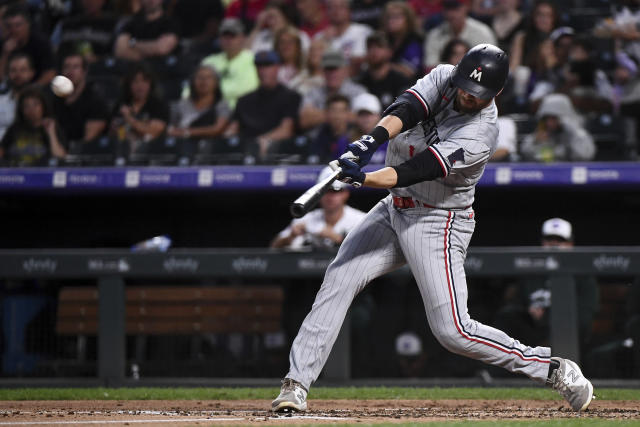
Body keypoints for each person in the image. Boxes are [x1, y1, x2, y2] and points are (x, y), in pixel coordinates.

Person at [271, 44, 594, 413]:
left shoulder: (482, 132)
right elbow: (408, 109)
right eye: (464, 88)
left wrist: (363, 177)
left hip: (437, 219)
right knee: (338, 280)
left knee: (453, 331)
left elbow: (417, 168)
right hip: (395, 208)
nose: (466, 97)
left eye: (476, 95)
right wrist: (368, 142)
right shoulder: (445, 76)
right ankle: (296, 384)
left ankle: (552, 369)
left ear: (495, 93)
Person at [225, 50, 300, 161]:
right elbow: (233, 128)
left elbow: (286, 130)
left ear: (277, 67)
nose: (263, 71)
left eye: (268, 66)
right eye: (259, 66)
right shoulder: (244, 100)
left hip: (278, 154)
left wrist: (263, 140)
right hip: (244, 153)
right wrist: (227, 137)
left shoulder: (290, 96)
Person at [270, 166, 366, 250]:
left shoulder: (361, 220)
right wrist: (291, 236)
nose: (330, 196)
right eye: (325, 191)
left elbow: (370, 253)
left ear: (345, 194)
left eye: (335, 191)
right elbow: (273, 248)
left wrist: (338, 239)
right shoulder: (305, 219)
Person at [109, 62, 169, 157]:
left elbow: (153, 131)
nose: (140, 86)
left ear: (150, 83)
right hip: (123, 153)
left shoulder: (158, 105)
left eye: (144, 81)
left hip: (152, 155)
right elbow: (115, 133)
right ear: (129, 84)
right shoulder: (121, 104)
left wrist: (129, 119)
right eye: (135, 81)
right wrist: (117, 129)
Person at [299, 50, 367, 130]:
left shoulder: (358, 91)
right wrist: (343, 114)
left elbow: (364, 119)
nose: (332, 74)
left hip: (350, 138)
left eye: (335, 69)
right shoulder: (313, 92)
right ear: (322, 71)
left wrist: (320, 114)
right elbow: (304, 120)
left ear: (345, 70)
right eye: (328, 69)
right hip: (318, 139)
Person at [52, 52, 109, 144]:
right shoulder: (56, 98)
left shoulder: (95, 100)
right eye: (67, 67)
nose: (70, 71)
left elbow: (88, 140)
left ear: (84, 71)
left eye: (75, 67)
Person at [201, 18, 259, 109]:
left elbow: (248, 88)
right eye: (224, 36)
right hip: (207, 110)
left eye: (232, 36)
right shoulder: (209, 61)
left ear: (242, 38)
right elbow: (190, 89)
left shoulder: (252, 59)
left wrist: (208, 91)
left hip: (239, 111)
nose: (228, 40)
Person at [520, 93, 596, 162]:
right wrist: (536, 142)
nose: (549, 122)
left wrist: (571, 131)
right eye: (547, 118)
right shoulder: (541, 132)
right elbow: (526, 153)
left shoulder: (577, 133)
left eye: (554, 118)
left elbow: (585, 156)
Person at [0, 87, 66, 166]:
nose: (32, 109)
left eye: (35, 104)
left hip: (43, 174)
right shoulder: (14, 129)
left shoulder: (51, 127)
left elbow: (59, 157)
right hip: (16, 174)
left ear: (43, 106)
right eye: (26, 106)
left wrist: (51, 132)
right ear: (21, 109)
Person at [423, 0, 497, 69]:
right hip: (443, 81)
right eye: (447, 8)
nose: (451, 14)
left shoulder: (482, 33)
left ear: (467, 7)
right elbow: (430, 67)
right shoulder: (434, 35)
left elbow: (490, 65)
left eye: (455, 8)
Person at [168, 65, 231, 142]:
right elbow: (172, 130)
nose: (203, 81)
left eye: (208, 77)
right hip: (182, 144)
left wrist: (187, 132)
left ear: (216, 82)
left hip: (211, 146)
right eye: (199, 77)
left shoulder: (222, 105)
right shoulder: (180, 105)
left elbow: (217, 129)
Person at [0, 5, 56, 86]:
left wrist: (30, 91)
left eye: (18, 25)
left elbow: (50, 74)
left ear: (27, 25)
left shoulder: (41, 43)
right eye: (9, 26)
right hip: (9, 92)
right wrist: (5, 54)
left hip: (37, 90)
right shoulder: (3, 44)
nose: (13, 30)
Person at [315, 0, 373, 74]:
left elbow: (358, 63)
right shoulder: (320, 37)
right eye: (332, 7)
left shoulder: (363, 32)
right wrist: (324, 40)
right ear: (327, 12)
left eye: (341, 7)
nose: (336, 11)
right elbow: (315, 66)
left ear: (349, 10)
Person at [357, 32, 412, 109]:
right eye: (370, 47)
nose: (374, 51)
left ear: (389, 52)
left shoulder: (401, 82)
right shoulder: (361, 81)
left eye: (379, 46)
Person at [51, 0, 118, 62]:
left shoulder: (115, 25)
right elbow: (53, 52)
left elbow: (118, 59)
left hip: (101, 72)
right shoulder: (65, 25)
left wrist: (98, 60)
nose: (89, 1)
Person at [113, 0, 179, 61]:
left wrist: (132, 43)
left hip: (161, 71)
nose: (151, 0)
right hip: (132, 69)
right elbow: (120, 50)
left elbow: (162, 48)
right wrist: (151, 51)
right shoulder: (131, 22)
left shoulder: (170, 23)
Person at [382, 1, 424, 80]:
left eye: (396, 17)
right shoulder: (384, 39)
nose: (391, 21)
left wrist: (385, 66)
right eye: (388, 17)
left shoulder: (415, 40)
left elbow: (409, 72)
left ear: (408, 19)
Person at [308, 94, 354, 164]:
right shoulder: (319, 138)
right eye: (333, 111)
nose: (337, 116)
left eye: (341, 111)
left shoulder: (357, 136)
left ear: (348, 113)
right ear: (327, 113)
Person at [0, 53, 35, 140]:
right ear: (8, 74)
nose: (18, 74)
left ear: (31, 73)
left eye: (23, 70)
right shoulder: (1, 102)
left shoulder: (41, 103)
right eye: (13, 70)